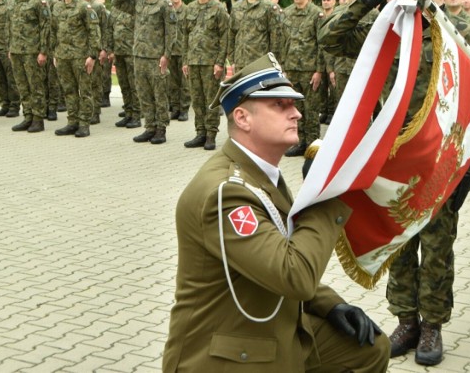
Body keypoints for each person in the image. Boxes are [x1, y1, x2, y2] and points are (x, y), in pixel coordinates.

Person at [162, 52, 390, 372]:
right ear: (242, 118)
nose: (296, 113)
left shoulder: (259, 173)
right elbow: (293, 274)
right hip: (229, 353)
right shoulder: (226, 193)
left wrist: (331, 304)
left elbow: (272, 256)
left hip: (268, 329)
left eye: (293, 104)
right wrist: (324, 197)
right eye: (279, 105)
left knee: (368, 348)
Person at [320, 0, 470, 366]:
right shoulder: (388, 26)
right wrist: (365, 0)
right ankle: (406, 320)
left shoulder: (462, 28)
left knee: (436, 246)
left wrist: (469, 170)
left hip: (440, 161)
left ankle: (432, 325)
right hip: (394, 159)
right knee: (397, 238)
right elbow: (330, 39)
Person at [112, 0, 175, 145]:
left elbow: (171, 33)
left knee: (159, 95)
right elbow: (116, 3)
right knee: (144, 94)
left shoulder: (164, 4)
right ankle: (149, 127)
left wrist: (166, 55)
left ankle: (161, 129)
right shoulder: (137, 3)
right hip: (139, 56)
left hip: (156, 58)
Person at [181, 0, 229, 151]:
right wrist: (185, 60)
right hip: (193, 61)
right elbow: (185, 35)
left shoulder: (218, 8)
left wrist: (220, 62)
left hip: (211, 62)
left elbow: (224, 36)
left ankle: (211, 135)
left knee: (211, 100)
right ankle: (200, 132)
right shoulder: (190, 8)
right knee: (197, 99)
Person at [51, 0, 101, 138]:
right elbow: (53, 31)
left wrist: (92, 56)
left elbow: (94, 31)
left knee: (84, 91)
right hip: (63, 56)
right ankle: (72, 121)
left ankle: (84, 123)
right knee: (68, 90)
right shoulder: (57, 7)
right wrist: (54, 53)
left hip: (81, 56)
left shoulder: (84, 7)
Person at [279, 0, 324, 157]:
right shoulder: (287, 13)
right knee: (295, 109)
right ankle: (299, 142)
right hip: (291, 68)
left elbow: (322, 43)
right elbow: (283, 41)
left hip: (310, 68)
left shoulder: (316, 14)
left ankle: (313, 145)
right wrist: (282, 67)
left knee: (311, 109)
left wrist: (319, 70)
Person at [8, 0, 51, 133]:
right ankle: (27, 117)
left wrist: (43, 51)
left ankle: (38, 119)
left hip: (33, 51)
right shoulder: (11, 2)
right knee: (22, 86)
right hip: (16, 51)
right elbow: (10, 27)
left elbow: (46, 28)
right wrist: (10, 48)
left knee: (36, 86)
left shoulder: (39, 1)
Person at [227, 0, 280, 73]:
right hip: (240, 63)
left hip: (260, 63)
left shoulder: (269, 7)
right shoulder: (237, 7)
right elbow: (231, 34)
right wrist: (232, 60)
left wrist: (273, 61)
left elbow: (275, 37)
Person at [106, 0, 141, 129]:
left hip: (132, 52)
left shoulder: (136, 5)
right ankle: (128, 113)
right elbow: (109, 30)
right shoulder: (115, 9)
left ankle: (137, 115)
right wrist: (110, 49)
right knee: (124, 85)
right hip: (119, 52)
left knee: (134, 85)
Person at [77, 0, 108, 125]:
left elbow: (105, 29)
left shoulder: (98, 6)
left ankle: (95, 112)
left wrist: (103, 49)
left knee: (94, 82)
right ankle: (83, 111)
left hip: (94, 50)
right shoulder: (75, 5)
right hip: (77, 51)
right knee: (81, 83)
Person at [167, 0, 190, 122]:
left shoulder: (188, 10)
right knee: (172, 83)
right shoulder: (167, 10)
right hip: (170, 51)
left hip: (183, 51)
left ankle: (184, 109)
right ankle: (175, 108)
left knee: (185, 82)